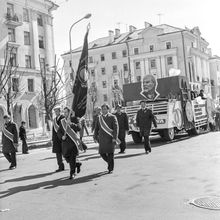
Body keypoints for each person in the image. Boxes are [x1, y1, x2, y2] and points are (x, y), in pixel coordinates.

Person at [58, 107, 82, 179]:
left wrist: (71, 124)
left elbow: (79, 128)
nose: (65, 113)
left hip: (73, 143)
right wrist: (62, 136)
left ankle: (72, 173)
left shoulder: (75, 119)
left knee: (72, 158)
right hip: (65, 143)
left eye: (66, 112)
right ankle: (77, 164)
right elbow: (59, 131)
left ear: (69, 113)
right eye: (64, 112)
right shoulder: (62, 121)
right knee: (67, 157)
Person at [94, 104, 119, 174]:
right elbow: (96, 129)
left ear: (108, 109)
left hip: (110, 138)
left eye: (105, 109)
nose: (103, 110)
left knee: (110, 153)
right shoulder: (99, 118)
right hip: (102, 139)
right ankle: (110, 162)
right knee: (102, 153)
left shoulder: (112, 117)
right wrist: (95, 137)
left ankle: (110, 168)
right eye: (102, 109)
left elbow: (116, 128)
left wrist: (115, 138)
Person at [52, 106, 65, 172]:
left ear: (60, 111)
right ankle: (60, 166)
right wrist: (53, 139)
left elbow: (64, 128)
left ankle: (75, 163)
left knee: (66, 153)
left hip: (62, 138)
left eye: (57, 111)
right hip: (56, 139)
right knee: (58, 153)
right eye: (55, 111)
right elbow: (53, 130)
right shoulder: (54, 119)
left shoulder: (63, 118)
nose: (56, 112)